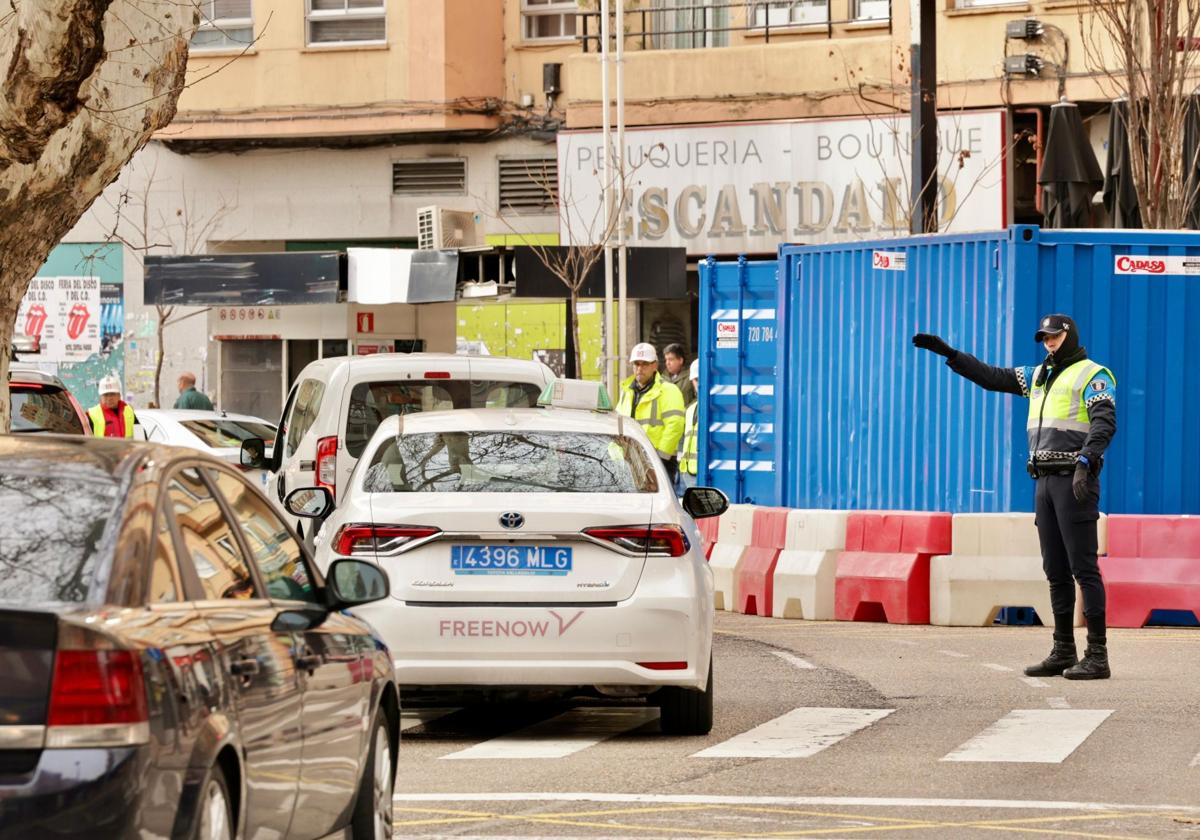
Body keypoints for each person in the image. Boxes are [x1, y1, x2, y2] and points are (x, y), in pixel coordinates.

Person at [912, 314, 1116, 680]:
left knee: (1083, 569)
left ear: (1069, 335)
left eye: (1054, 337)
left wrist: (1087, 460)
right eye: (1044, 338)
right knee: (1055, 571)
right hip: (1044, 482)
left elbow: (1104, 422)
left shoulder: (1093, 374)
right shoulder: (1038, 376)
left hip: (1075, 481)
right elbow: (993, 377)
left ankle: (1097, 655)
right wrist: (951, 354)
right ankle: (1063, 650)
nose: (1048, 342)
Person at [616, 342, 686, 484]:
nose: (639, 368)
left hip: (659, 462)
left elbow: (675, 425)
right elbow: (617, 424)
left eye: (645, 364)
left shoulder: (668, 390)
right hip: (630, 460)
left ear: (655, 365)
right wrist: (617, 455)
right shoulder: (626, 391)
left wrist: (658, 458)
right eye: (636, 364)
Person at [677, 359, 701, 494]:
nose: (699, 384)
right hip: (686, 474)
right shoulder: (691, 409)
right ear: (692, 382)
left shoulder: (716, 410)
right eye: (696, 380)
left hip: (702, 474)